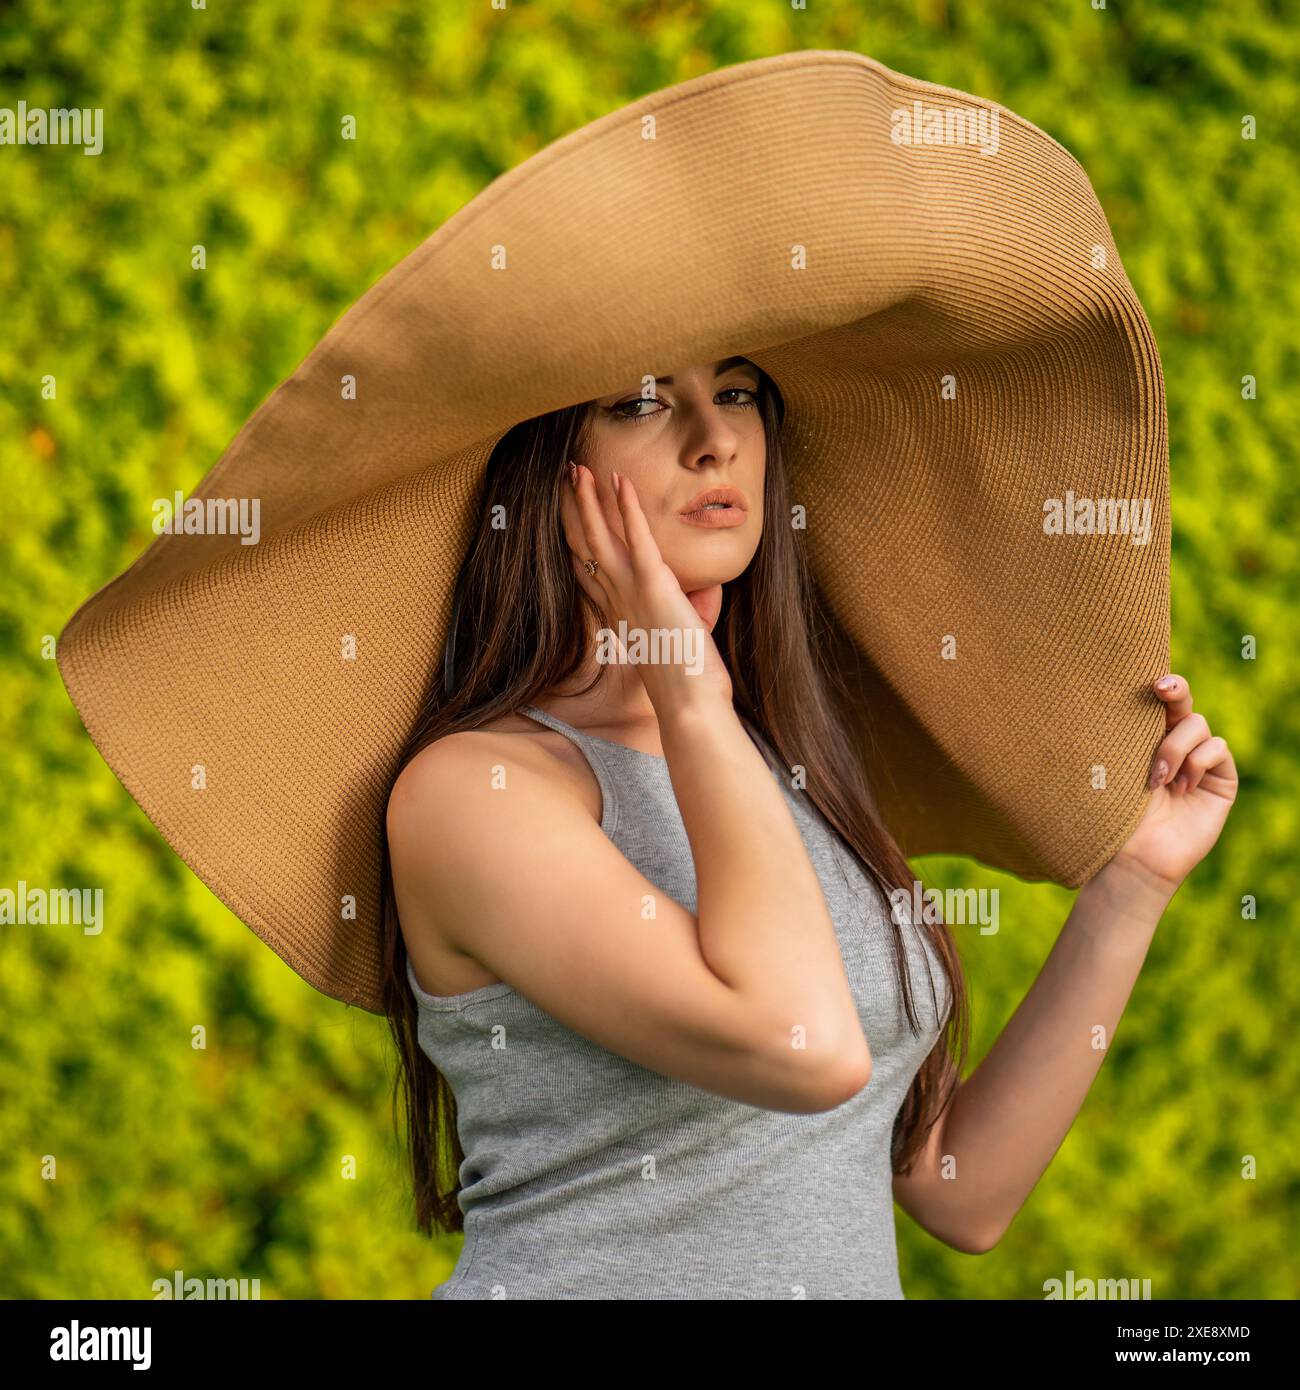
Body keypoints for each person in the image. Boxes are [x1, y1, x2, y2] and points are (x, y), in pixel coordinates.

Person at [382, 356, 1237, 1299]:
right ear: (549, 474)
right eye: (641, 403)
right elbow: (805, 1047)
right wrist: (688, 687)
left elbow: (959, 1189)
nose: (716, 439)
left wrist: (1134, 882)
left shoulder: (782, 771)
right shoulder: (475, 791)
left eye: (737, 394)